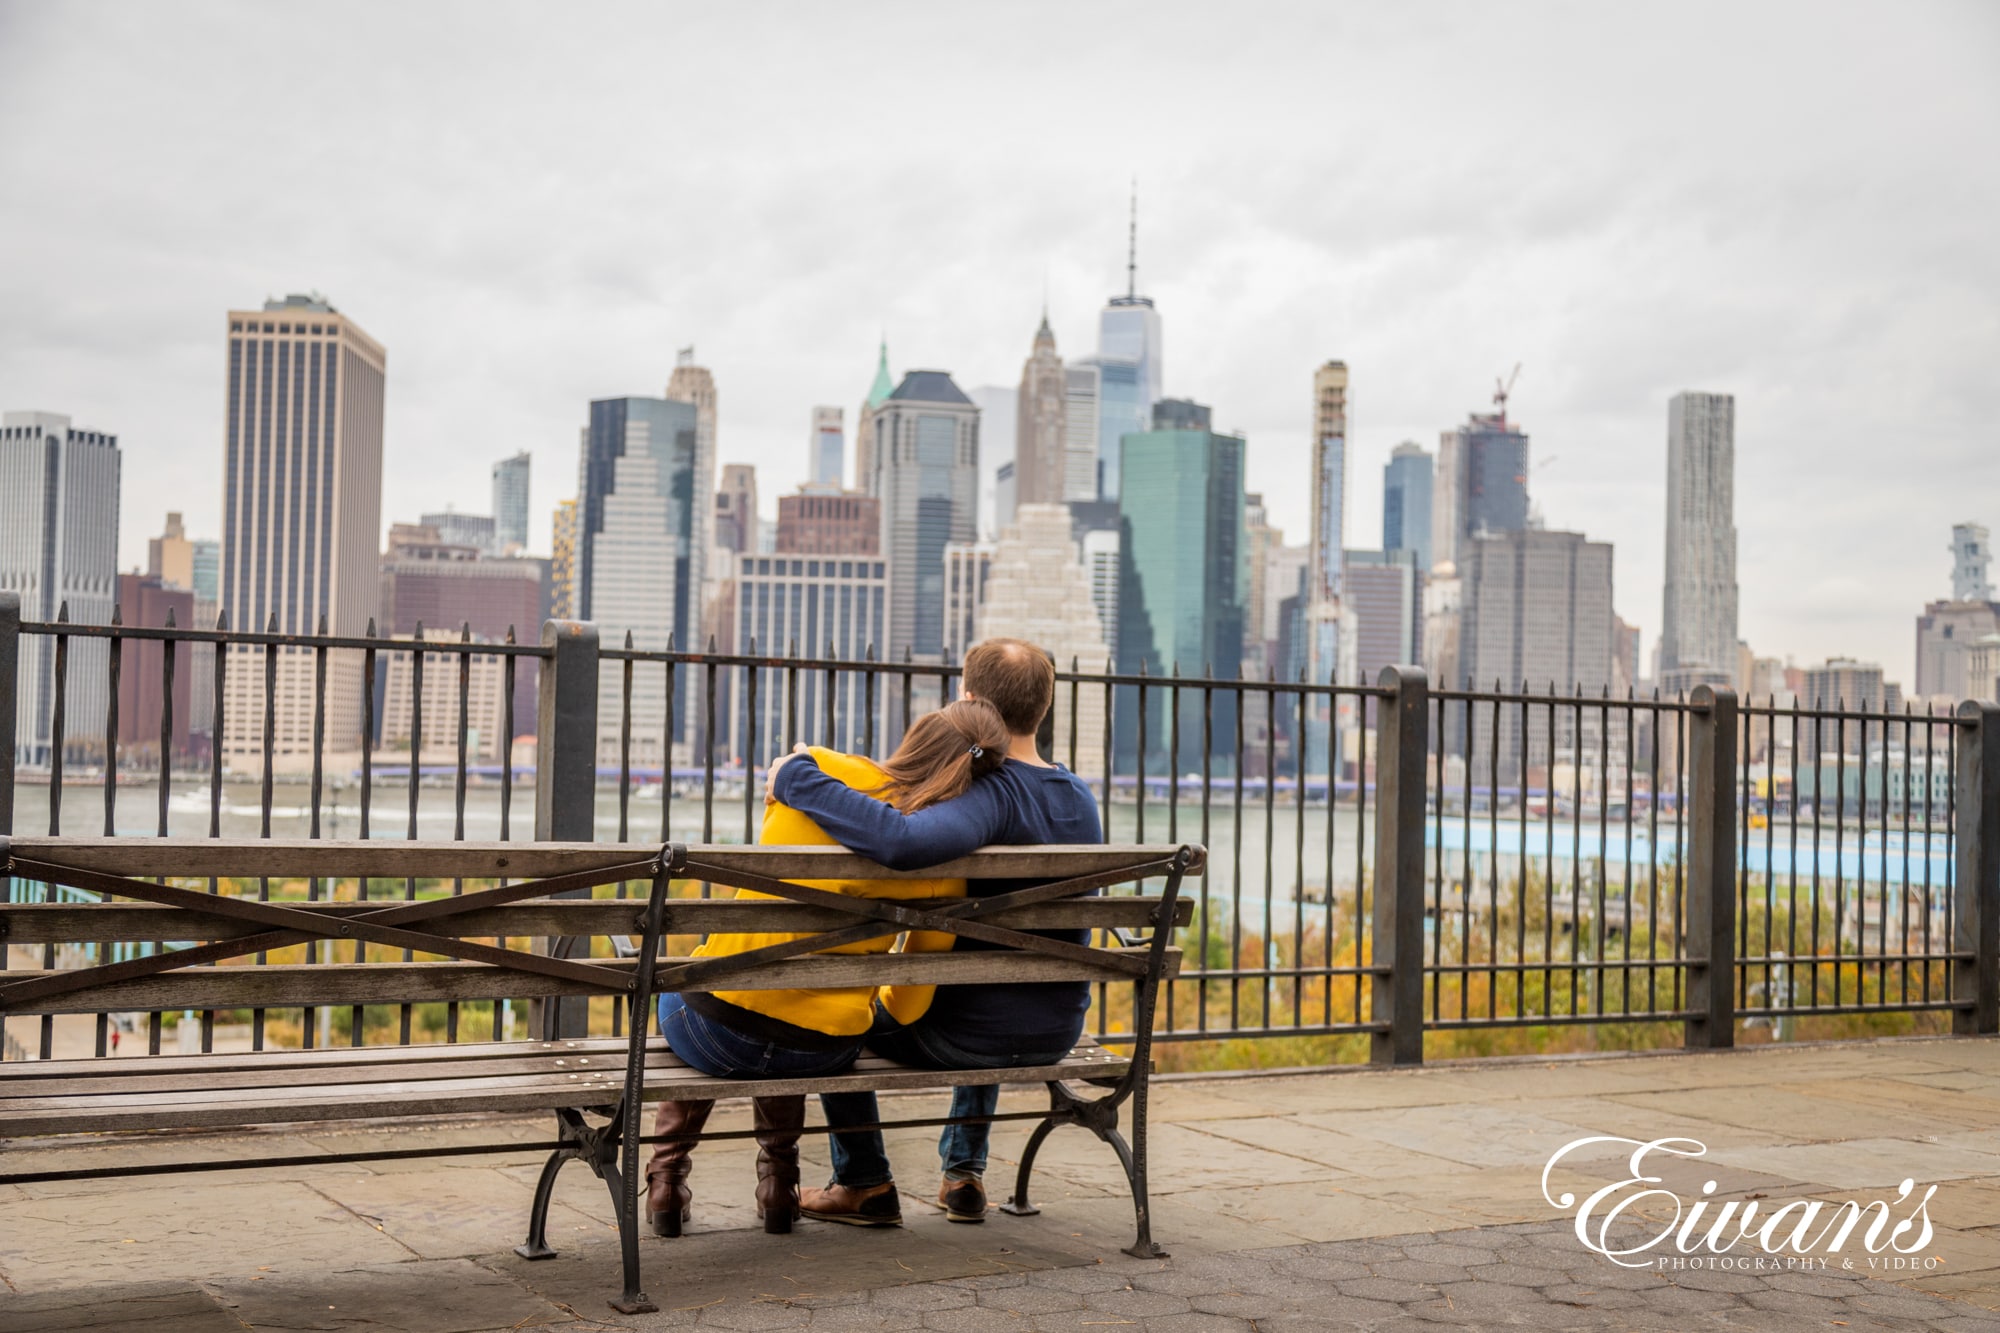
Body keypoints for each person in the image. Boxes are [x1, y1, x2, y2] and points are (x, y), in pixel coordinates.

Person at [765, 638, 1102, 1228]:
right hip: (1058, 1028)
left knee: (837, 1023)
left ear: (968, 701)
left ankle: (863, 1182)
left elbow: (902, 842)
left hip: (968, 1037)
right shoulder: (1080, 798)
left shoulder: (991, 794)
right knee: (987, 980)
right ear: (1042, 710)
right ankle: (963, 1172)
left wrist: (799, 777)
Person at [644, 698, 1010, 1237]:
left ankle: (667, 1178)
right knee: (794, 1024)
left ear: (916, 735)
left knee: (692, 989)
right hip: (823, 1049)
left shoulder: (815, 770)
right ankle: (779, 1181)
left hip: (717, 1034)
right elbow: (908, 1001)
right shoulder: (946, 869)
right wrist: (849, 1004)